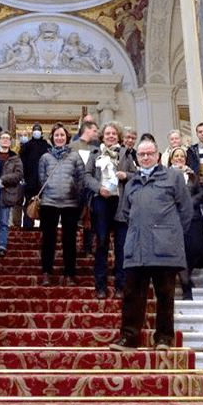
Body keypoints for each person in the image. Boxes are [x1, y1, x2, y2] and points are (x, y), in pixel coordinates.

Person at [110, 138, 193, 351]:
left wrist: (171, 233)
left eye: (149, 154)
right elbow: (126, 214)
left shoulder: (173, 176)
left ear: (157, 156)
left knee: (165, 295)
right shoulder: (131, 183)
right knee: (132, 295)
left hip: (165, 248)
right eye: (141, 154)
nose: (145, 157)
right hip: (137, 246)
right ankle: (129, 338)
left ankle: (164, 339)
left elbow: (186, 210)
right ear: (137, 158)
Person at [84, 121, 136, 298]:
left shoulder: (125, 154)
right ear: (102, 136)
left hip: (120, 203)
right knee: (102, 243)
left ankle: (121, 286)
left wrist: (126, 175)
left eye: (114, 134)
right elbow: (87, 176)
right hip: (101, 202)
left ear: (118, 137)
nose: (111, 136)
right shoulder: (95, 153)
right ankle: (100, 286)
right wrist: (98, 188)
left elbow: (136, 174)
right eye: (108, 134)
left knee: (121, 246)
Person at [38, 122, 85, 286]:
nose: (59, 138)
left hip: (70, 203)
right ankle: (46, 272)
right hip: (49, 202)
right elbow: (42, 178)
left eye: (62, 135)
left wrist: (75, 194)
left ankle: (69, 273)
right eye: (56, 135)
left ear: (67, 138)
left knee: (69, 240)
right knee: (48, 240)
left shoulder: (75, 156)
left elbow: (81, 178)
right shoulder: (45, 157)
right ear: (52, 137)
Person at [168, 146, 203, 300]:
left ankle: (187, 275)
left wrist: (189, 202)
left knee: (195, 250)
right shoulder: (166, 175)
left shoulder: (192, 175)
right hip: (174, 218)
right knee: (181, 251)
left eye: (181, 156)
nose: (179, 158)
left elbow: (201, 193)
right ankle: (186, 285)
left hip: (193, 217)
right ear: (171, 159)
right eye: (176, 156)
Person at [69, 120, 99, 256]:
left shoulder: (96, 149)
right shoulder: (72, 147)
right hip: (74, 189)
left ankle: (87, 247)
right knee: (72, 220)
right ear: (87, 130)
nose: (97, 134)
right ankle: (71, 248)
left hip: (90, 189)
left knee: (89, 219)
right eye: (94, 131)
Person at [20, 123, 50, 230]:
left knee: (44, 206)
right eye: (35, 130)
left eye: (38, 130)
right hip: (30, 181)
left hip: (44, 182)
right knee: (29, 205)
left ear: (41, 133)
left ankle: (44, 227)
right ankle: (27, 227)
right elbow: (22, 162)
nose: (36, 132)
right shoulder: (27, 146)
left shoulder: (47, 146)